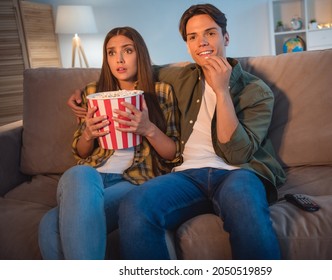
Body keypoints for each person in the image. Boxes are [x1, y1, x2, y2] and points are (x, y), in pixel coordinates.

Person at [116, 4, 286, 260]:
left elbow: (237, 153)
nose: (202, 42)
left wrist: (222, 91)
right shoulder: (180, 76)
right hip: (187, 176)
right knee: (134, 206)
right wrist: (83, 92)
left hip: (238, 173)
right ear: (187, 46)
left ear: (225, 37)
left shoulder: (257, 91)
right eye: (193, 37)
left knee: (246, 210)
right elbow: (136, 70)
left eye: (210, 33)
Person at [38, 26, 181, 260]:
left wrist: (148, 129)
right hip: (92, 176)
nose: (120, 59)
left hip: (134, 179)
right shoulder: (93, 92)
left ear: (140, 54)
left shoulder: (160, 91)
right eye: (111, 53)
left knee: (49, 225)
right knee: (80, 173)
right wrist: (88, 134)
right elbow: (80, 152)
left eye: (127, 50)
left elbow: (172, 153)